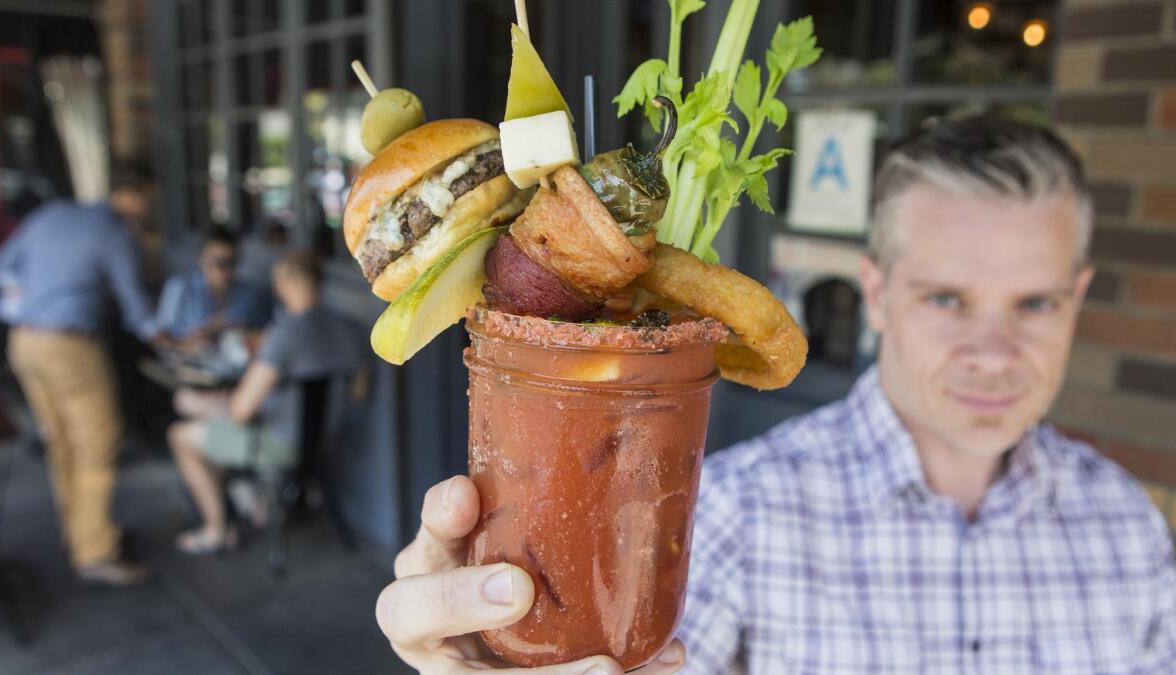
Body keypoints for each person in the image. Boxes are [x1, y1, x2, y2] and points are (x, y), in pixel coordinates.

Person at [371, 116, 1176, 674]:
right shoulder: (730, 513)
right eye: (946, 298)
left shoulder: (1133, 529)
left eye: (1035, 303)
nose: (994, 353)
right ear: (876, 291)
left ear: (1079, 297)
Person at [0, 160, 162, 587]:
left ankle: (79, 533)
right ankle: (96, 553)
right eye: (147, 199)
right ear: (131, 195)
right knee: (98, 446)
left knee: (60, 443)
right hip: (70, 347)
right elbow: (137, 312)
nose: (148, 209)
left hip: (24, 341)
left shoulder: (52, 215)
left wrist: (34, 298)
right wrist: (171, 338)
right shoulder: (114, 234)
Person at [165, 250, 362, 554]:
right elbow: (359, 392)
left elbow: (241, 411)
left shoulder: (284, 335)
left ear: (286, 280)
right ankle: (251, 500)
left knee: (180, 436)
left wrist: (205, 402)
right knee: (203, 419)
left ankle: (216, 529)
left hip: (279, 446)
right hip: (327, 441)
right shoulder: (347, 328)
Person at [155, 226, 270, 348]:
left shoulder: (250, 293)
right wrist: (186, 344)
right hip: (187, 363)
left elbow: (263, 333)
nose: (220, 269)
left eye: (229, 262)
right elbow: (160, 338)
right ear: (201, 258)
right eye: (214, 261)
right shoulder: (180, 287)